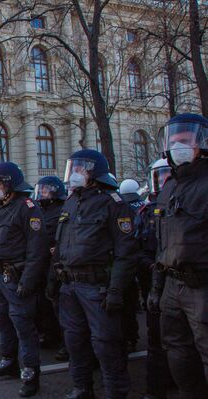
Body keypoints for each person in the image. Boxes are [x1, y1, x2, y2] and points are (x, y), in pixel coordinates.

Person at [53, 149, 138, 399]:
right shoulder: (71, 201)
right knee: (74, 341)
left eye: (80, 168)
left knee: (106, 344)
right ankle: (82, 387)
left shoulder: (113, 203)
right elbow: (62, 243)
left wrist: (115, 290)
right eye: (74, 168)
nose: (75, 173)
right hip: (70, 285)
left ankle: (116, 392)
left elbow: (126, 252)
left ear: (94, 172)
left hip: (97, 287)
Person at [0, 162, 50, 398]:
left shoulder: (27, 208)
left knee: (23, 325)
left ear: (9, 184)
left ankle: (30, 372)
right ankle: (8, 361)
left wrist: (27, 282)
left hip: (15, 276)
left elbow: (37, 251)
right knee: (2, 321)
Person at [152, 113, 208, 398]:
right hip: (172, 286)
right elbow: (163, 243)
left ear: (201, 143)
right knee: (177, 349)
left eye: (184, 140)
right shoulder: (170, 185)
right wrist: (156, 288)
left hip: (202, 286)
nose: (177, 146)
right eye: (173, 141)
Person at [136, 158, 173, 399]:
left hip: (184, 281)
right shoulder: (147, 211)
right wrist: (151, 267)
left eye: (167, 174)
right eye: (159, 175)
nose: (163, 180)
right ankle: (156, 387)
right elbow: (138, 247)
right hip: (155, 284)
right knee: (156, 338)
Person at [35, 176, 68, 361]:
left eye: (45, 190)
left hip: (56, 263)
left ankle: (66, 343)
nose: (41, 194)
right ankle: (50, 335)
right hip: (42, 261)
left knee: (59, 304)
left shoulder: (61, 210)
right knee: (44, 302)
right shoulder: (41, 210)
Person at [119, 178, 144, 353]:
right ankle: (130, 337)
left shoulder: (120, 206)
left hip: (124, 261)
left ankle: (128, 337)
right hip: (136, 259)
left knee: (125, 304)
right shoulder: (142, 206)